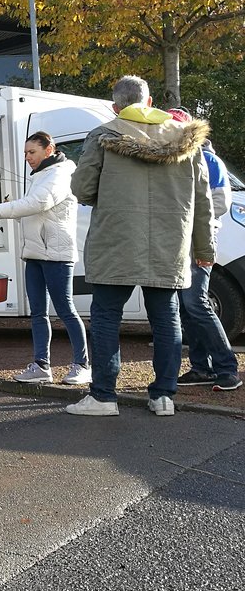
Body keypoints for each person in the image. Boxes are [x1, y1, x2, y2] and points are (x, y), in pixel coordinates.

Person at [66, 75, 215, 417]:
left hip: (115, 239)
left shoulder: (103, 135)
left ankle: (103, 397)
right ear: (149, 103)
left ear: (116, 107)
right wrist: (205, 250)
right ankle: (163, 397)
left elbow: (83, 189)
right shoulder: (187, 141)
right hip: (169, 242)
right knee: (166, 319)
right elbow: (202, 200)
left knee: (106, 317)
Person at [0, 132, 89, 385]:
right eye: (25, 153)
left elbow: (38, 203)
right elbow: (31, 206)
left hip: (56, 254)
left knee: (65, 309)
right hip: (35, 253)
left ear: (49, 150)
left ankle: (82, 365)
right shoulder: (42, 175)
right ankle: (41, 365)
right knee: (37, 312)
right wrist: (8, 208)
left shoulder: (61, 173)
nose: (27, 158)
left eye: (32, 152)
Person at [167, 108, 242, 392]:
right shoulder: (172, 159)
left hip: (198, 241)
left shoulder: (208, 160)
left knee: (196, 303)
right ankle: (201, 368)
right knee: (188, 308)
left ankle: (227, 369)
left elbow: (220, 203)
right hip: (178, 243)